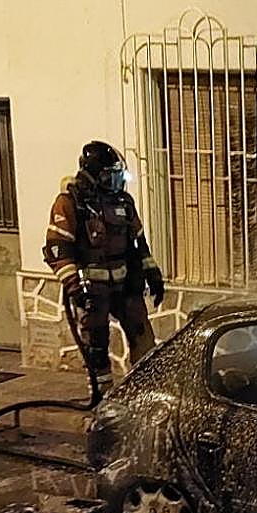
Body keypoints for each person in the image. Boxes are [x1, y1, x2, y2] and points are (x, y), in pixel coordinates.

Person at [42, 141, 164, 394]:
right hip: (92, 290)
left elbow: (138, 243)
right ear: (95, 174)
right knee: (96, 345)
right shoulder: (69, 203)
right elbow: (58, 250)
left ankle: (143, 393)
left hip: (125, 285)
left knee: (143, 337)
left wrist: (152, 273)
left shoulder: (123, 202)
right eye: (112, 175)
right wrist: (74, 287)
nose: (117, 181)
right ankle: (102, 395)